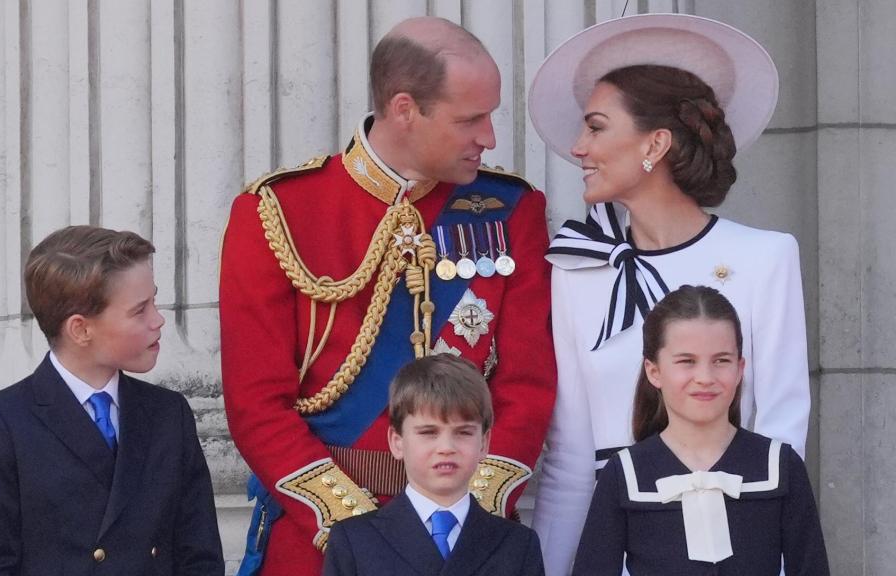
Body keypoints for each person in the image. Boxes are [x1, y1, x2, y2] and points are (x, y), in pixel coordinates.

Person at [220, 16, 556, 576]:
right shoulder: (276, 212)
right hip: (322, 538)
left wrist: (466, 514)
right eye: (470, 119)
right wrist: (353, 526)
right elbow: (256, 404)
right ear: (405, 109)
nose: (490, 137)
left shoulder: (511, 210)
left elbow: (527, 385)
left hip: (465, 537)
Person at [526, 13, 811, 575]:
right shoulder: (575, 269)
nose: (579, 148)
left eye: (596, 127)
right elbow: (570, 463)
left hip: (737, 545)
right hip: (623, 546)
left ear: (655, 142)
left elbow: (781, 441)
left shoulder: (766, 258)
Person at [0, 226, 225, 576]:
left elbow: (200, 557)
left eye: (153, 301)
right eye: (139, 310)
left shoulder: (168, 414)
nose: (158, 320)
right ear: (80, 329)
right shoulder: (0, 423)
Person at [572, 285, 828, 575]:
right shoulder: (625, 473)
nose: (705, 377)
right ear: (654, 371)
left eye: (721, 361)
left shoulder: (780, 466)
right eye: (686, 361)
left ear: (740, 368)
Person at [323, 354, 545, 575]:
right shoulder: (354, 541)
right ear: (397, 441)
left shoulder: (518, 545)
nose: (446, 447)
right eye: (429, 433)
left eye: (463, 432)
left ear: (484, 443)